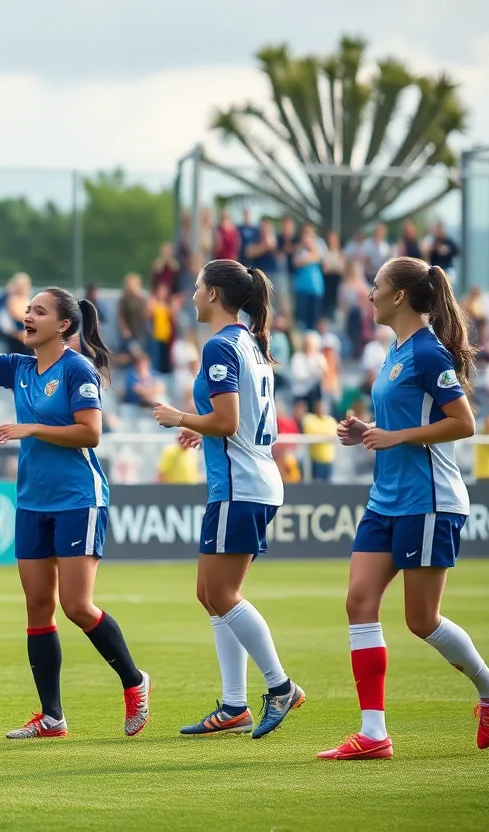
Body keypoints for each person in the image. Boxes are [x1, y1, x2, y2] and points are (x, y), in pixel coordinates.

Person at [319, 257, 489, 760]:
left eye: (376, 285)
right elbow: (403, 420)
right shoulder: (395, 350)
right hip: (385, 499)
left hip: (429, 501)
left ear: (398, 296)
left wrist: (397, 435)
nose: (369, 293)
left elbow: (463, 422)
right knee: (359, 601)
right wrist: (367, 433)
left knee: (422, 621)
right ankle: (374, 733)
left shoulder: (428, 353)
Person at [0, 287, 151, 741]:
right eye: (28, 309)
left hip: (77, 500)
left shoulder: (77, 368)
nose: (27, 316)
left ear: (63, 326)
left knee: (77, 606)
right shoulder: (22, 368)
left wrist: (30, 428)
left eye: (38, 311)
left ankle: (135, 681)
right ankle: (52, 717)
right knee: (37, 607)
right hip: (31, 501)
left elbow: (91, 433)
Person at [153, 259, 305, 740]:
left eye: (198, 288)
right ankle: (235, 705)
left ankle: (280, 686)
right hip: (248, 477)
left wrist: (182, 418)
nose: (192, 296)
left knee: (221, 594)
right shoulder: (249, 343)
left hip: (242, 486)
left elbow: (226, 419)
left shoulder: (221, 345)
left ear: (215, 295)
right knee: (209, 595)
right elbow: (240, 419)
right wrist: (208, 432)